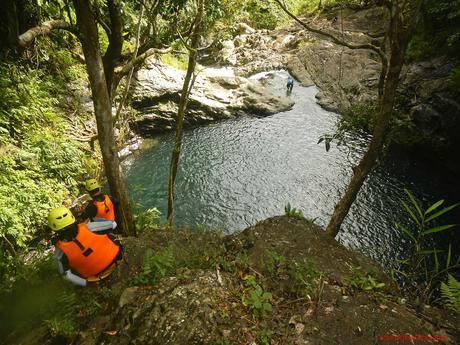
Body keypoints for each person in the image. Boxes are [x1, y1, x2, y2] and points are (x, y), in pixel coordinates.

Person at [48, 206, 122, 286]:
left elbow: (66, 275)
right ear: (72, 218)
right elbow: (113, 224)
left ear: (54, 229)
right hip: (116, 258)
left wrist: (87, 283)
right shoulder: (89, 227)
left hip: (96, 277)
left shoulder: (59, 252)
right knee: (104, 228)